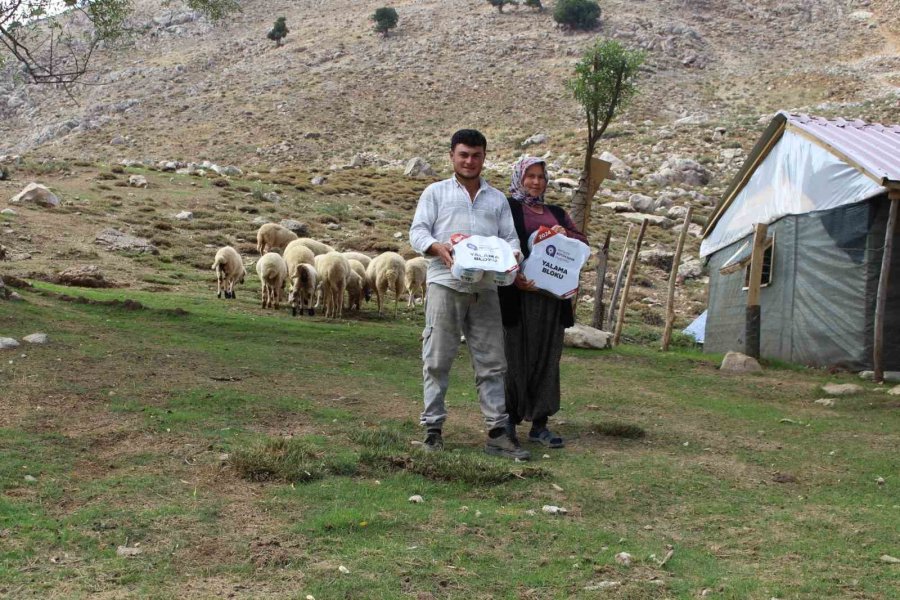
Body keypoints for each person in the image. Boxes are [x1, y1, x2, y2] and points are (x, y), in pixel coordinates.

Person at [409, 129, 530, 460]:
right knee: (436, 358)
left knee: (492, 361)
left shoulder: (497, 200)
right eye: (463, 154)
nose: (469, 161)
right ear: (451, 155)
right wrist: (437, 246)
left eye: (476, 155)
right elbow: (417, 231)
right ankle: (432, 431)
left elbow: (510, 238)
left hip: (485, 289)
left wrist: (513, 256)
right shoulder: (435, 193)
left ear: (484, 157)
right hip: (445, 285)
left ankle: (497, 433)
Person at [498, 156, 588, 449]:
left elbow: (581, 243)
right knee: (514, 358)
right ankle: (508, 420)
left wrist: (565, 235)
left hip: (552, 301)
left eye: (541, 177)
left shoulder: (558, 213)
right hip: (518, 297)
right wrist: (514, 276)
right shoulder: (508, 208)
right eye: (530, 176)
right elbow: (499, 244)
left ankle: (540, 424)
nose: (536, 182)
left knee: (548, 358)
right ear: (519, 178)